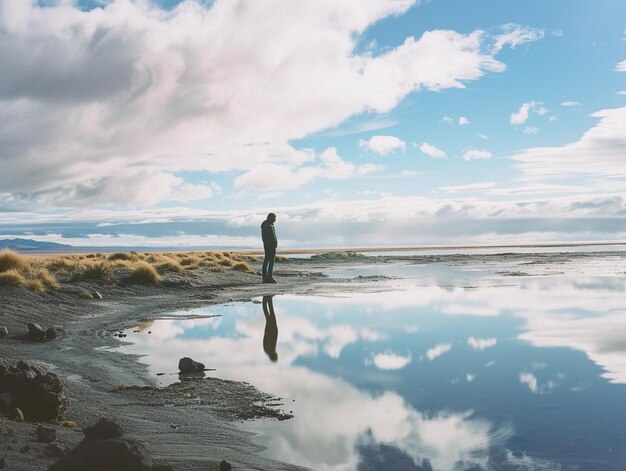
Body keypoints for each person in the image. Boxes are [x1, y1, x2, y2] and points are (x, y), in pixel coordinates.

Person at [261, 212, 278, 283]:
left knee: (267, 261)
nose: (275, 219)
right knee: (270, 261)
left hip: (269, 245)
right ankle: (269, 278)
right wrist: (273, 243)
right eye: (274, 217)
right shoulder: (267, 225)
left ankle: (266, 278)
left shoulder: (268, 225)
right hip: (270, 246)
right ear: (271, 218)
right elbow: (267, 237)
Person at [262, 295, 278, 362]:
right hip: (271, 331)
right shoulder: (268, 350)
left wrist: (270, 331)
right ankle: (268, 299)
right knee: (269, 315)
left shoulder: (269, 350)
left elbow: (270, 339)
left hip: (271, 331)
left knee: (270, 314)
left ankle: (266, 299)